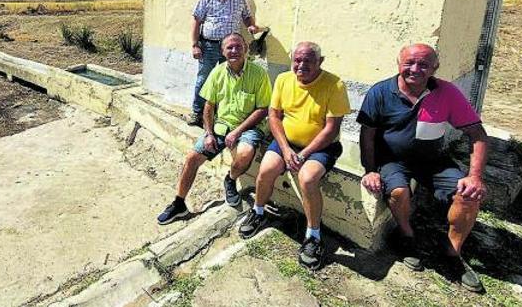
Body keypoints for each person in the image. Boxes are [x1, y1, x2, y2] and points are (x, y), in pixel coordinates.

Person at [357, 43, 488, 292]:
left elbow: (477, 134)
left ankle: (452, 254)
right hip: (393, 161)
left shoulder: (446, 92)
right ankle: (406, 237)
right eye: (409, 63)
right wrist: (370, 169)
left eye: (424, 64)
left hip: (433, 161)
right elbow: (368, 135)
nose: (415, 69)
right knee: (398, 193)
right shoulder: (381, 92)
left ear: (434, 67)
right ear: (399, 64)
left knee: (468, 196)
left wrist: (475, 176)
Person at [238, 42, 351, 270]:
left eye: (308, 60)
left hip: (321, 147)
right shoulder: (283, 80)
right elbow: (274, 116)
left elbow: (331, 129)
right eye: (297, 60)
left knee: (307, 179)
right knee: (266, 170)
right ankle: (258, 212)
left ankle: (313, 236)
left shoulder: (334, 85)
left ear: (320, 61)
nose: (301, 65)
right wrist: (287, 150)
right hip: (286, 143)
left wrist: (305, 154)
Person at [158, 33, 271, 224]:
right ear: (222, 51)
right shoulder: (217, 72)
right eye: (229, 47)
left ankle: (230, 179)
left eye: (238, 46)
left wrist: (237, 132)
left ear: (245, 48)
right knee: (192, 157)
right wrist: (209, 133)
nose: (234, 51)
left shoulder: (259, 73)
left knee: (244, 153)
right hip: (222, 126)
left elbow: (262, 109)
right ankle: (179, 204)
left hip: (250, 126)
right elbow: (209, 106)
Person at [188, 0, 260, 126]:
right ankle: (197, 113)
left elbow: (247, 16)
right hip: (208, 46)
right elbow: (196, 20)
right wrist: (195, 44)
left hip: (231, 48)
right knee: (203, 79)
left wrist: (250, 25)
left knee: (229, 80)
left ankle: (221, 115)